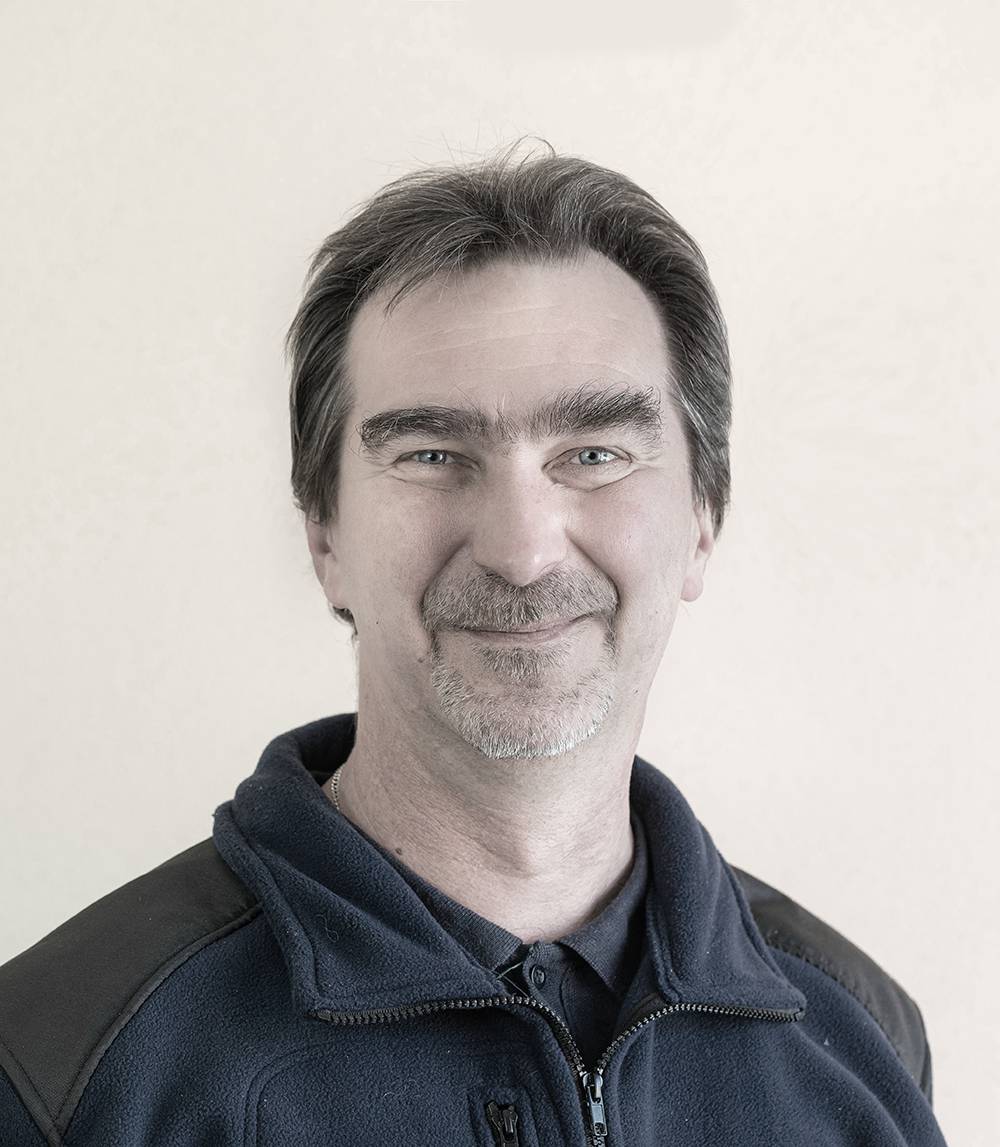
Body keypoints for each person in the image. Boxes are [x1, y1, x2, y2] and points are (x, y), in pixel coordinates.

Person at [0, 142, 948, 1146]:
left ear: (702, 521)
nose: (522, 551)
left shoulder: (863, 1036)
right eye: (432, 454)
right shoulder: (59, 1069)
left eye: (593, 453)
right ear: (324, 537)